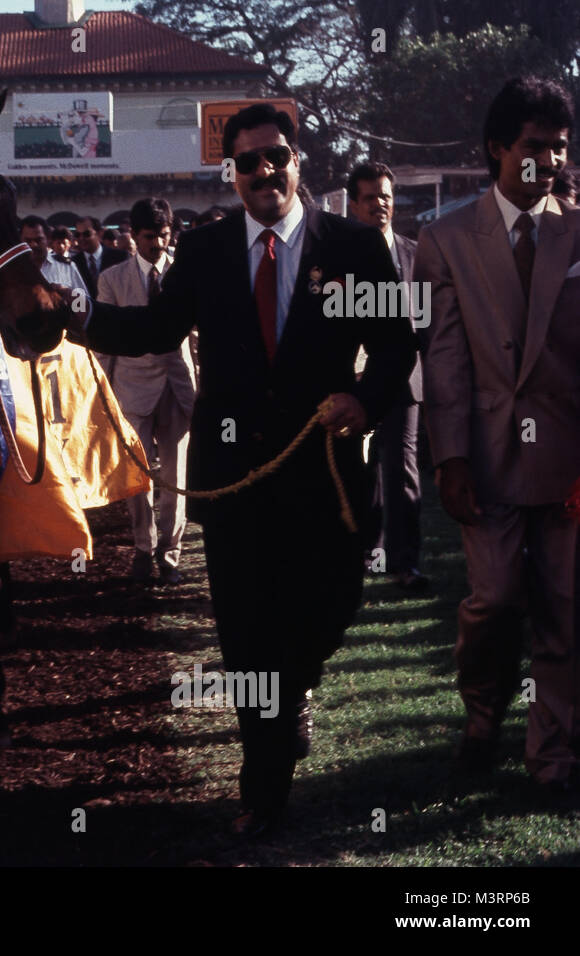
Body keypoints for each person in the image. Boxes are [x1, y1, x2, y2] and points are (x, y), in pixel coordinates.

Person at [78, 103, 414, 836]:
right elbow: (155, 329)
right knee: (247, 638)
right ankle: (263, 790)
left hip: (324, 479)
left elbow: (395, 344)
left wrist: (364, 397)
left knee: (328, 609)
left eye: (278, 156)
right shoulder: (204, 252)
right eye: (249, 162)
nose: (266, 171)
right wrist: (74, 315)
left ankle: (298, 689)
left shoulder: (355, 246)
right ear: (231, 175)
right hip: (235, 484)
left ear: (301, 162)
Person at [415, 77, 580, 800]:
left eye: (560, 148)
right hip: (484, 458)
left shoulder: (578, 232)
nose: (548, 160)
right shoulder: (445, 238)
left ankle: (554, 757)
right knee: (494, 599)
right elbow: (444, 357)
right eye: (534, 147)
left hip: (570, 462)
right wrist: (449, 457)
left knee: (566, 607)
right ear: (497, 150)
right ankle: (483, 713)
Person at [95, 198, 196, 587]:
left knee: (175, 476)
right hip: (131, 389)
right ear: (133, 237)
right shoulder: (112, 280)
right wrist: (102, 397)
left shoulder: (184, 276)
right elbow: (103, 340)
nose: (158, 244)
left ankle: (170, 555)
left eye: (164, 236)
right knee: (138, 478)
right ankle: (142, 548)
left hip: (178, 388)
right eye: (150, 237)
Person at [347, 161, 428, 591]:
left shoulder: (414, 253)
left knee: (401, 470)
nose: (379, 204)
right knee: (360, 473)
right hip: (355, 381)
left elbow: (425, 319)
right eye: (370, 197)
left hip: (405, 381)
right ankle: (367, 553)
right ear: (354, 204)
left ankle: (405, 563)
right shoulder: (338, 254)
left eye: (385, 195)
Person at [20, 215, 88, 299]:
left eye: (38, 240)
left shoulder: (66, 267)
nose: (33, 245)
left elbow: (83, 304)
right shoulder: (14, 269)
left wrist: (68, 295)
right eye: (28, 241)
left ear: (48, 239)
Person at [73, 215, 127, 299]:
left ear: (99, 233)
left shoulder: (120, 257)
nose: (81, 238)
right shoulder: (73, 263)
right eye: (77, 235)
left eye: (86, 234)